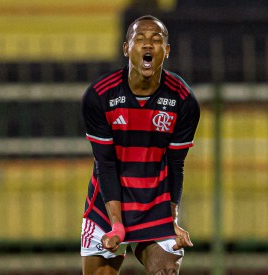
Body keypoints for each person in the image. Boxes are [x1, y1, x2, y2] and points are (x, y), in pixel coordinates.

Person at [80, 15, 200, 274]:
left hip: (154, 204)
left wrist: (171, 220)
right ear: (126, 48)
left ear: (166, 51)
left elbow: (175, 165)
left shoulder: (183, 100)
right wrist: (116, 224)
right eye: (140, 40)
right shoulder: (100, 96)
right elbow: (106, 163)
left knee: (166, 269)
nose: (148, 46)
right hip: (107, 205)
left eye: (156, 41)